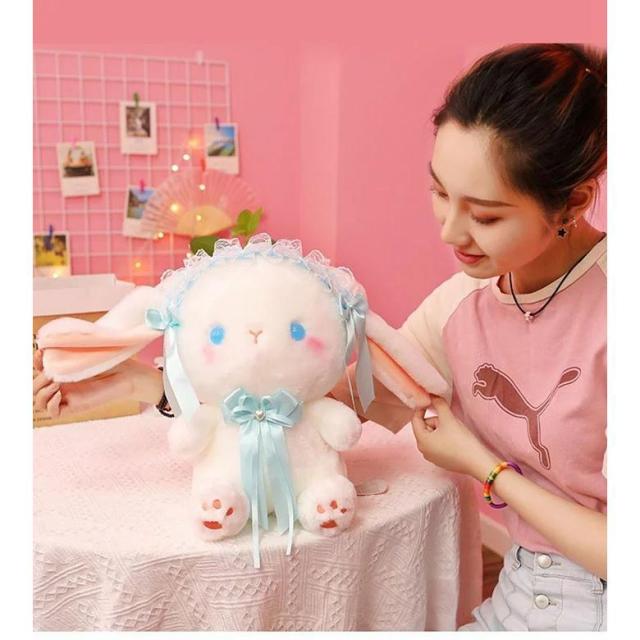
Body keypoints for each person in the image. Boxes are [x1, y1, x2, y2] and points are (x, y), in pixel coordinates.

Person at [33, 43, 607, 632]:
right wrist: (143, 386)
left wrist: (484, 467)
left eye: (485, 215)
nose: (449, 231)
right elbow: (320, 403)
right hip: (518, 597)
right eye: (440, 192)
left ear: (574, 200)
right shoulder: (464, 303)